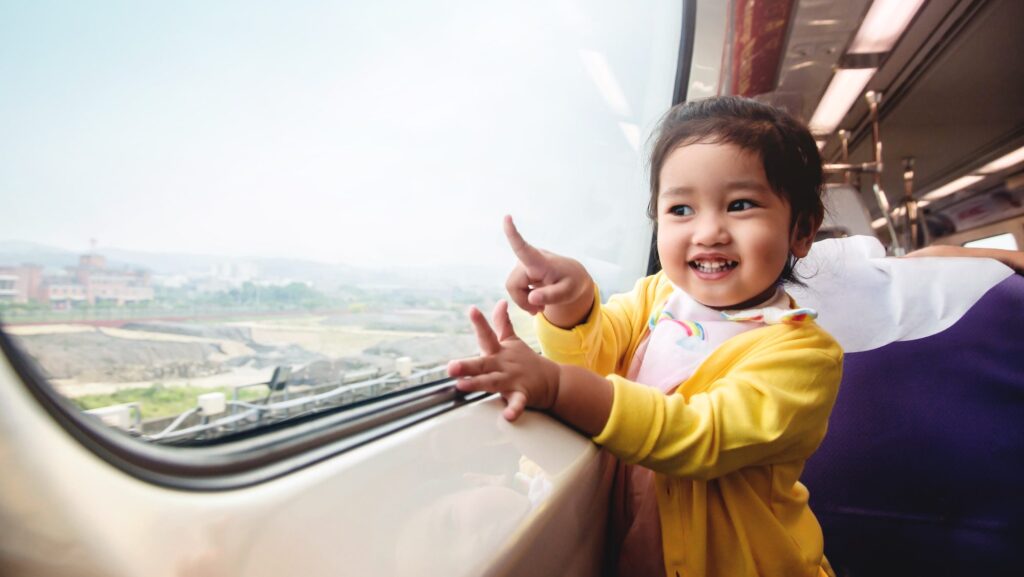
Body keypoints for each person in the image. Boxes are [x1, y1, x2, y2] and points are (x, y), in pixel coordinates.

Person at [448, 95, 843, 577]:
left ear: (800, 232)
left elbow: (701, 436)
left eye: (740, 205)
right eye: (681, 209)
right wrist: (572, 304)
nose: (709, 231)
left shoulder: (802, 356)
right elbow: (597, 352)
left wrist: (555, 387)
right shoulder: (658, 297)